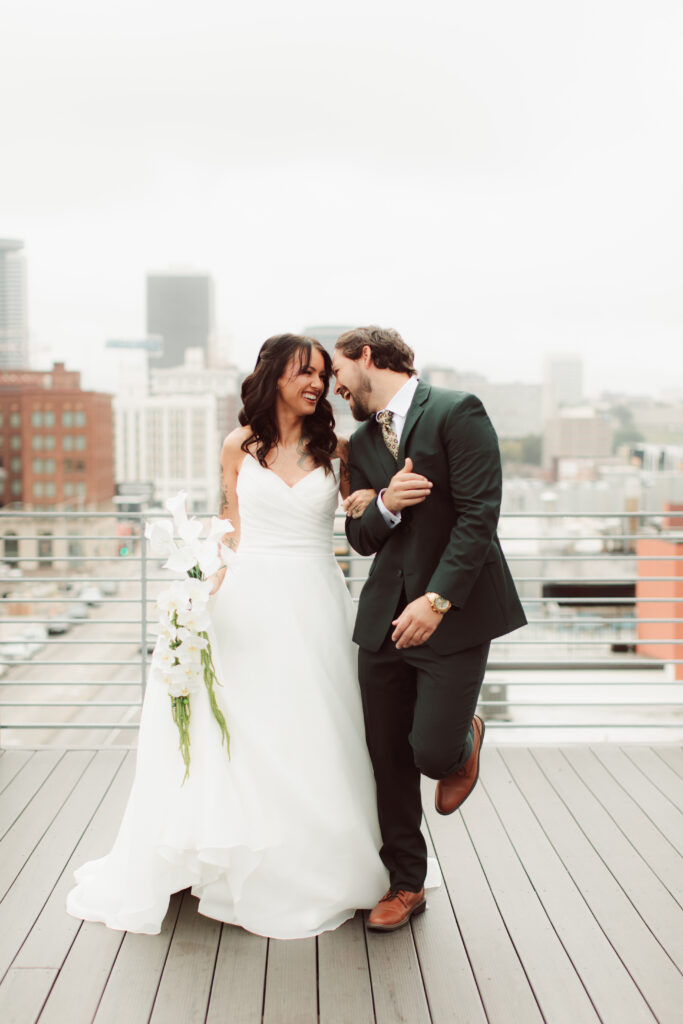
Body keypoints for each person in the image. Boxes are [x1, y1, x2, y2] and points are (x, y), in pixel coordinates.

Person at [67, 333, 390, 939]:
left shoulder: (339, 447)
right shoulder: (238, 445)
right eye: (304, 372)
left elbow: (358, 517)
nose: (317, 383)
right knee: (247, 727)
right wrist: (199, 589)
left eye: (323, 374)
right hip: (248, 599)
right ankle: (240, 853)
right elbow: (233, 529)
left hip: (316, 599)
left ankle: (317, 861)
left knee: (317, 726)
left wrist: (368, 499)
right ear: (273, 376)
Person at [332, 326, 526, 932]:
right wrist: (386, 503)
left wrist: (436, 600)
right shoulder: (360, 443)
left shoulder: (456, 411)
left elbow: (478, 515)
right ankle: (405, 884)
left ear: (367, 356)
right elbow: (361, 537)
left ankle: (462, 739)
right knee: (386, 758)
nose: (335, 387)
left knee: (430, 753)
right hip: (383, 621)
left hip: (453, 616)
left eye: (339, 372)